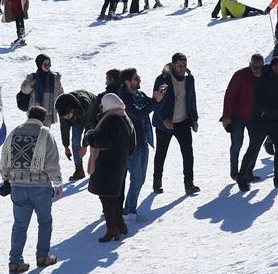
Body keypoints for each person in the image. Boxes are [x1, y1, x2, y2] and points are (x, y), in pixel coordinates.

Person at [0, 105, 63, 273]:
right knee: (44, 221)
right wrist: (57, 183)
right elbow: (52, 162)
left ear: (28, 115)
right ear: (43, 118)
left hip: (17, 186)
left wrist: (5, 178)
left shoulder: (14, 132)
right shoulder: (45, 133)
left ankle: (15, 261)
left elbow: (5, 156)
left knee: (19, 224)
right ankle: (43, 256)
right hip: (40, 186)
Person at [236, 56, 278, 191]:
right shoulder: (263, 80)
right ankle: (241, 177)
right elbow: (260, 102)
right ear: (274, 67)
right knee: (253, 149)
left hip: (276, 122)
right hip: (259, 121)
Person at [84, 93, 136, 242]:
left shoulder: (111, 119)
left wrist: (90, 136)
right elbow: (132, 145)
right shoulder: (124, 117)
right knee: (112, 197)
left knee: (106, 198)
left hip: (107, 165)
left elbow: (103, 142)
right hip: (119, 163)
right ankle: (120, 225)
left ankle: (112, 229)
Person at [151, 53, 199, 196]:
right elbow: (156, 102)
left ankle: (189, 184)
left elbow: (192, 100)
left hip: (183, 121)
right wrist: (164, 119)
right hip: (165, 124)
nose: (182, 69)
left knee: (188, 152)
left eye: (184, 65)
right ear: (173, 65)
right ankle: (157, 181)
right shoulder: (163, 80)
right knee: (161, 153)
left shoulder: (189, 80)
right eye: (179, 66)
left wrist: (194, 119)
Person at [117, 68, 159, 217]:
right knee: (136, 179)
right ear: (127, 82)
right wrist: (155, 100)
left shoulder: (138, 94)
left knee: (140, 179)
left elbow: (152, 105)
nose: (139, 80)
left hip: (143, 141)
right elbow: (139, 113)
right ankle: (128, 212)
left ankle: (128, 210)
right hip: (132, 145)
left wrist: (159, 96)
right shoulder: (124, 98)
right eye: (136, 78)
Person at [222, 54, 263, 180]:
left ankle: (248, 172)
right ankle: (234, 171)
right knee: (236, 144)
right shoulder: (240, 76)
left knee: (255, 145)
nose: (258, 70)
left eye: (260, 67)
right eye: (255, 67)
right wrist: (226, 117)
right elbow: (229, 96)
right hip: (238, 116)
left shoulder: (265, 76)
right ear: (250, 65)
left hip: (255, 117)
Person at [20, 54, 64, 120]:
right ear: (39, 64)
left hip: (49, 112)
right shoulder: (32, 77)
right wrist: (31, 84)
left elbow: (60, 93)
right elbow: (24, 90)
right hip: (34, 112)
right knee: (34, 130)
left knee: (45, 130)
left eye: (49, 64)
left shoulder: (55, 78)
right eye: (45, 64)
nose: (47, 66)